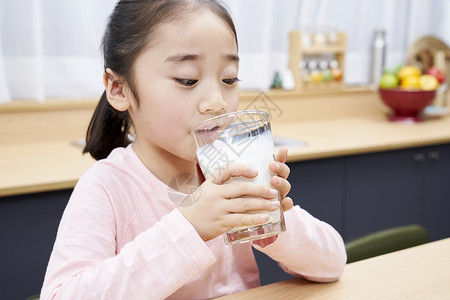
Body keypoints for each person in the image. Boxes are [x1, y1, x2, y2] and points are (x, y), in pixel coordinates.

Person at [41, 0, 346, 299]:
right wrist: (190, 226)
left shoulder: (231, 173)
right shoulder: (106, 187)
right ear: (119, 89)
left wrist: (273, 222)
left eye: (229, 79)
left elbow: (333, 263)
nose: (217, 101)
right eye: (187, 80)